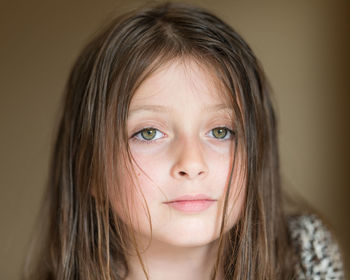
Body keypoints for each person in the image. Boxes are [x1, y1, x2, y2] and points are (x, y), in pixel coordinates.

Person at [23, 2, 344, 279]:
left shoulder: (304, 255)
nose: (191, 163)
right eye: (148, 133)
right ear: (90, 168)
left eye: (221, 132)